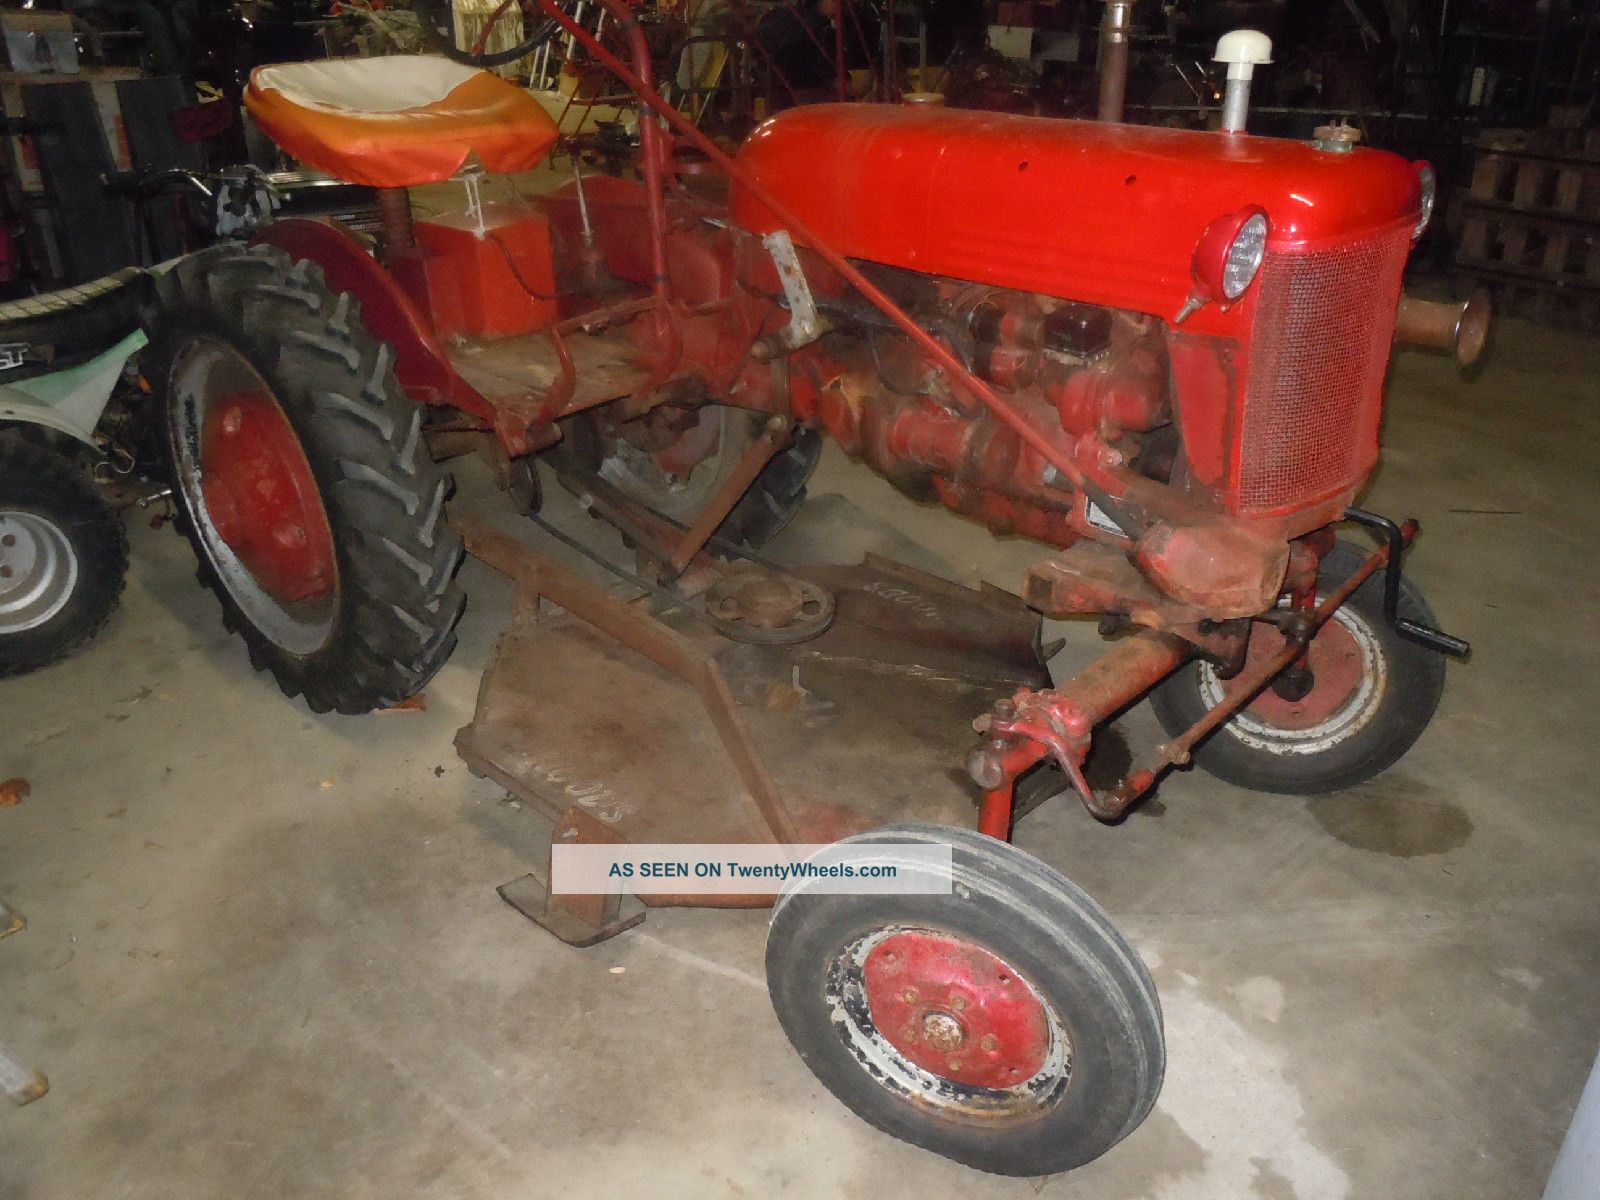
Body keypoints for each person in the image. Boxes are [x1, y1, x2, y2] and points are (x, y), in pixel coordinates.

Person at [753, 0, 839, 107]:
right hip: (806, 86)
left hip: (781, 83)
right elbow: (818, 58)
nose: (837, 5)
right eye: (833, 1)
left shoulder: (792, 17)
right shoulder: (815, 24)